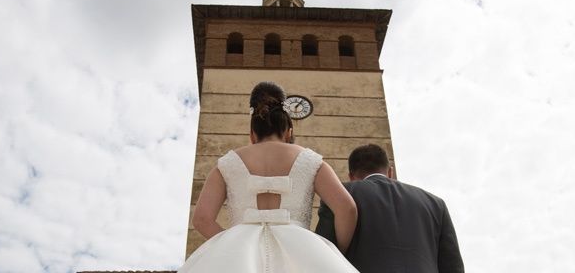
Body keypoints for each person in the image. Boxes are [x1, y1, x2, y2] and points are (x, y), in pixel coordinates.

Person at [178, 82, 359, 272]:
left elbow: (201, 219)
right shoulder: (311, 161)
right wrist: (336, 252)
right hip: (303, 252)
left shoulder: (226, 164)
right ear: (289, 131)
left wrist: (231, 246)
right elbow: (347, 208)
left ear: (252, 134)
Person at [315, 144, 464, 273]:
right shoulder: (436, 204)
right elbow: (453, 267)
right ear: (390, 172)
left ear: (351, 176)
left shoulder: (340, 195)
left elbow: (323, 254)